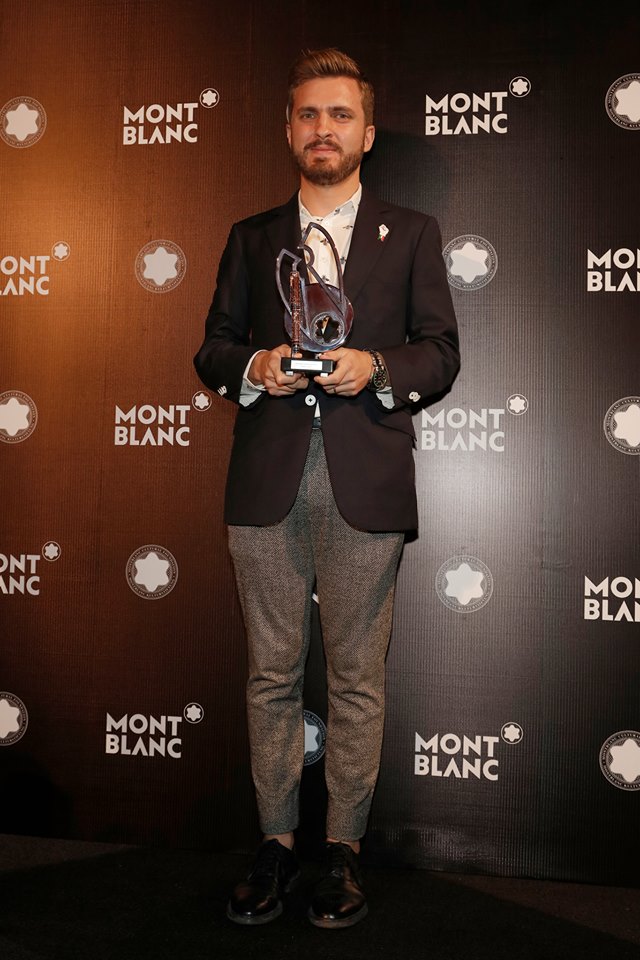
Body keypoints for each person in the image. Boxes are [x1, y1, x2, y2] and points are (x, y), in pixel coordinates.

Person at [194, 47, 459, 928]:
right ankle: (275, 843)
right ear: (288, 129)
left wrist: (375, 366)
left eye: (340, 115)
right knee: (270, 675)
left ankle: (342, 850)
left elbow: (441, 353)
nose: (323, 129)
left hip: (365, 483)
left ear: (367, 134)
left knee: (355, 678)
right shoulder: (251, 238)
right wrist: (257, 366)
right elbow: (213, 348)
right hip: (266, 482)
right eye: (309, 114)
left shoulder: (411, 233)